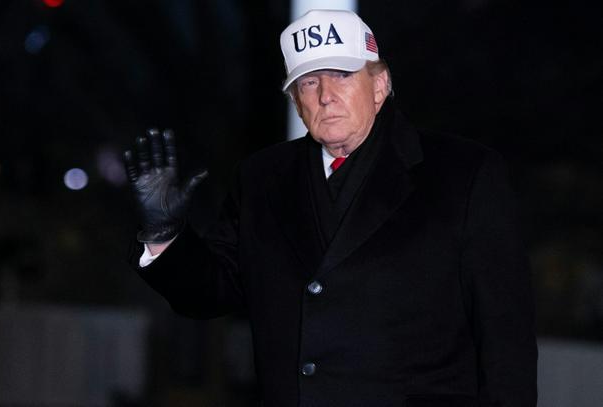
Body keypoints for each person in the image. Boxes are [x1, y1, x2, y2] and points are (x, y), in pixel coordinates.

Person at [124, 9, 537, 407]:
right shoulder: (261, 179)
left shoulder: (464, 174)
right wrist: (165, 234)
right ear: (295, 101)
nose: (325, 96)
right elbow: (209, 294)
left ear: (380, 86)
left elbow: (506, 339)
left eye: (342, 75)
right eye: (308, 82)